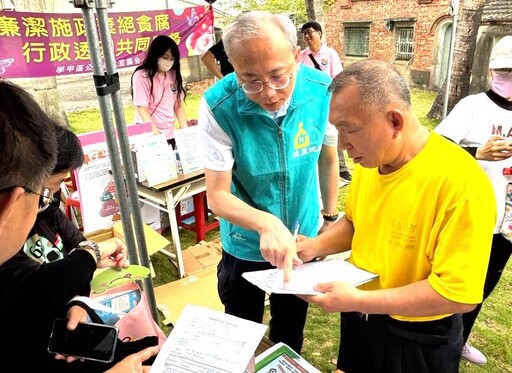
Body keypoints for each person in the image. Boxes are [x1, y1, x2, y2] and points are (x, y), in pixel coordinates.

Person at [296, 60, 496, 373]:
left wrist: (357, 301)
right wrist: (314, 247)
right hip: (360, 316)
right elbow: (356, 221)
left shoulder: (461, 184)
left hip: (416, 339)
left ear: (395, 121)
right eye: (336, 130)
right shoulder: (372, 161)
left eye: (350, 130)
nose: (344, 145)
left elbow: (458, 295)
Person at [199, 11, 339, 354]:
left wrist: (330, 219)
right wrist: (264, 223)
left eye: (279, 76)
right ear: (231, 66)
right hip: (244, 240)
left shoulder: (322, 91)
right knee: (240, 330)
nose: (269, 93)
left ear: (296, 55)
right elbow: (217, 195)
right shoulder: (219, 106)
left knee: (289, 329)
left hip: (301, 236)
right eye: (251, 80)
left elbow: (328, 156)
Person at [0, 79, 158, 371]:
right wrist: (90, 254)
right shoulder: (11, 264)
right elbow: (37, 286)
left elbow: (73, 255)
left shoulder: (48, 214)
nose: (47, 200)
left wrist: (78, 300)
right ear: (10, 203)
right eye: (44, 190)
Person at [434, 35, 512, 366]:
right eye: (505, 71)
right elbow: (435, 153)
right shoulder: (472, 106)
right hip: (471, 220)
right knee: (456, 288)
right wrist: (476, 152)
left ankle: (460, 340)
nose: (509, 79)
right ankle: (441, 346)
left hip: (505, 224)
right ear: (491, 70)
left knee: (483, 289)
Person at [298, 21, 352, 184]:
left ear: (319, 34)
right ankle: (313, 167)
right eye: (304, 34)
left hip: (326, 101)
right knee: (310, 133)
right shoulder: (301, 56)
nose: (307, 36)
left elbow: (338, 78)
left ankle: (342, 169)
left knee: (332, 134)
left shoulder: (330, 54)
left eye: (310, 32)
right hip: (308, 102)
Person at [131, 35, 188, 149]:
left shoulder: (173, 74)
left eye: (172, 59)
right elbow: (142, 109)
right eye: (165, 57)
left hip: (170, 133)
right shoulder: (141, 76)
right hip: (149, 135)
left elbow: (178, 104)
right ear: (155, 55)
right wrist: (156, 136)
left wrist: (185, 131)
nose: (168, 62)